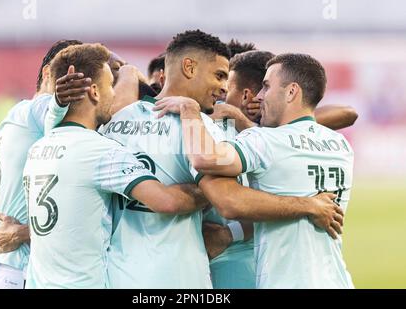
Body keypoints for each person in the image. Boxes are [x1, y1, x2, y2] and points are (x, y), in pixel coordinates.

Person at [46, 30, 343, 288]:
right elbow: (230, 201)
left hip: (120, 274)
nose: (224, 88)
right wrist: (307, 205)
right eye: (219, 75)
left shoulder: (113, 122)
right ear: (189, 67)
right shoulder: (200, 129)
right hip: (181, 277)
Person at [154, 53, 354, 288]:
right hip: (337, 280)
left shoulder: (265, 140)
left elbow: (207, 162)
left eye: (266, 87)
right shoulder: (341, 145)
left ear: (291, 92)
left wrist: (190, 111)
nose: (259, 97)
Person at [24, 43, 207, 289]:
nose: (114, 94)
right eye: (111, 85)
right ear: (94, 92)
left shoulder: (39, 148)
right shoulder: (101, 151)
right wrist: (213, 190)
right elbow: (167, 201)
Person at [0, 39, 84, 289]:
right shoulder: (35, 111)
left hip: (1, 270)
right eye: (73, 80)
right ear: (48, 74)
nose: (82, 91)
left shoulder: (17, 119)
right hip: (21, 273)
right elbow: (53, 106)